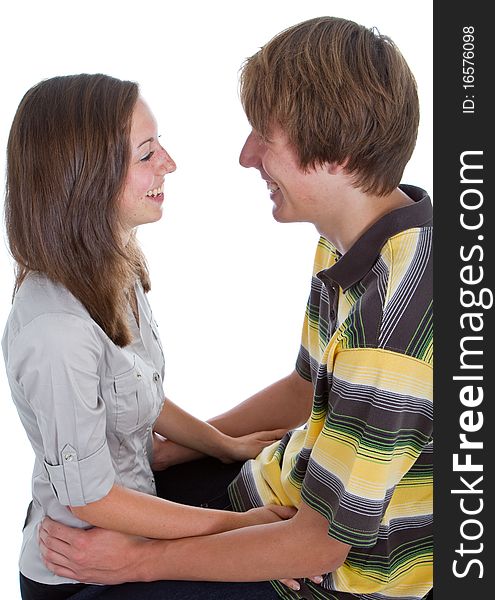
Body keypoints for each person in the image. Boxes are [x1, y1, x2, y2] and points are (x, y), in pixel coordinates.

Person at [40, 15, 433, 600]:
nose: (246, 156)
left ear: (334, 148)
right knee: (78, 533)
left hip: (328, 574)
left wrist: (140, 562)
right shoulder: (357, 237)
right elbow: (306, 390)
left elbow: (318, 544)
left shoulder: (399, 314)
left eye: (264, 136)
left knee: (94, 576)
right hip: (284, 490)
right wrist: (191, 445)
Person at [2, 73, 294, 600]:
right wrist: (234, 530)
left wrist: (224, 446)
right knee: (281, 566)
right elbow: (90, 500)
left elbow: (141, 393)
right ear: (85, 178)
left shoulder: (111, 268)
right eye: (146, 154)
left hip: (138, 509)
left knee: (274, 480)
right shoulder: (55, 333)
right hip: (84, 571)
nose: (169, 164)